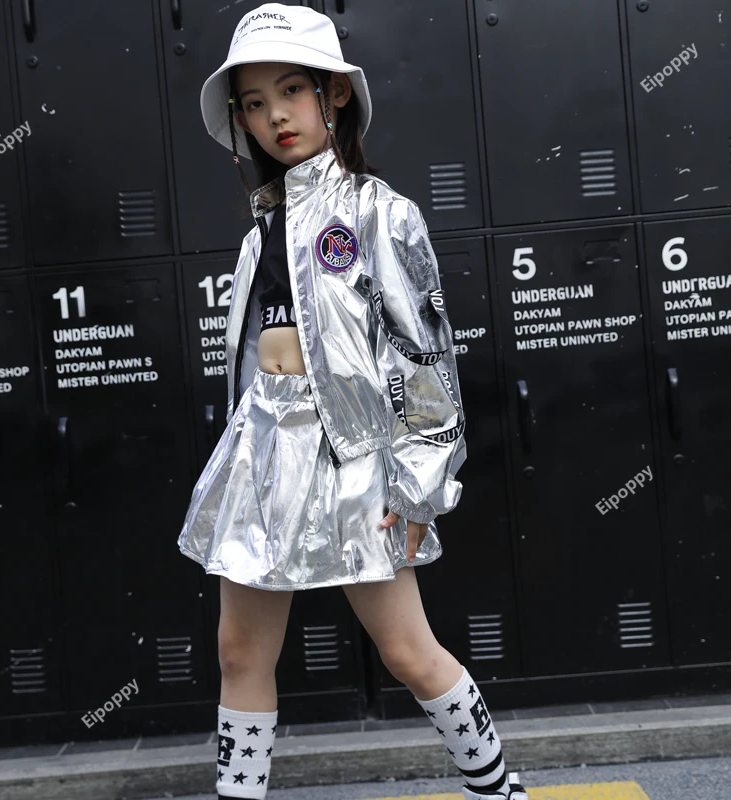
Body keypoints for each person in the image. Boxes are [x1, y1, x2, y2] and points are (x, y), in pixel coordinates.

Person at [178, 4, 528, 799]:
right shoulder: (258, 232)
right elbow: (245, 367)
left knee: (407, 651)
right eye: (255, 103)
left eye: (291, 91)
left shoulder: (381, 212)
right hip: (263, 454)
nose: (274, 116)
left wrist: (422, 483)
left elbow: (422, 353)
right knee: (240, 654)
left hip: (354, 459)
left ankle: (501, 791)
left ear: (333, 95)